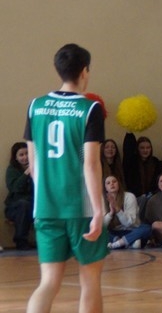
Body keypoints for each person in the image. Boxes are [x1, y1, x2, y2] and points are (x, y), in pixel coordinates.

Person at [24, 43, 107, 313]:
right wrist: (98, 210)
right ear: (85, 71)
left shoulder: (35, 106)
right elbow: (91, 164)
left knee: (48, 282)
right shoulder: (90, 109)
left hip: (46, 207)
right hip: (80, 208)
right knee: (90, 282)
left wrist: (47, 197)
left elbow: (33, 165)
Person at [104, 175, 153, 250]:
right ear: (105, 188)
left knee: (147, 228)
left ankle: (117, 244)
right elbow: (102, 226)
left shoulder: (129, 196)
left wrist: (118, 210)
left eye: (114, 181)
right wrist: (110, 213)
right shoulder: (103, 200)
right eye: (108, 183)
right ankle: (128, 242)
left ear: (119, 184)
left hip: (131, 230)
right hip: (114, 233)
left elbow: (129, 223)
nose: (112, 184)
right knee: (97, 231)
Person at [5, 142, 34, 250]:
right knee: (23, 204)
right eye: (21, 155)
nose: (25, 157)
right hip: (15, 207)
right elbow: (15, 188)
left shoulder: (37, 168)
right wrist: (26, 173)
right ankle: (21, 241)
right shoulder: (12, 170)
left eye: (27, 153)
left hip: (33, 205)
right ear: (16, 157)